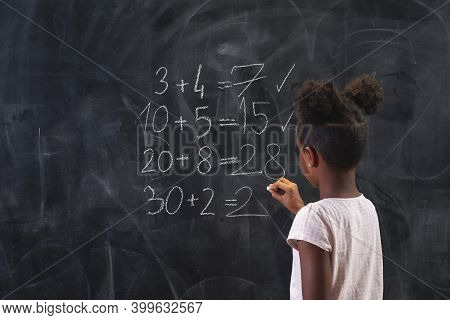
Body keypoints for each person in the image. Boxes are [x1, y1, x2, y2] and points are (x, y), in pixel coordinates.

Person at [267, 74, 384, 299]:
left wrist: (306, 217)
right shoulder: (368, 208)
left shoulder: (314, 218)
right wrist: (302, 211)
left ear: (310, 157)